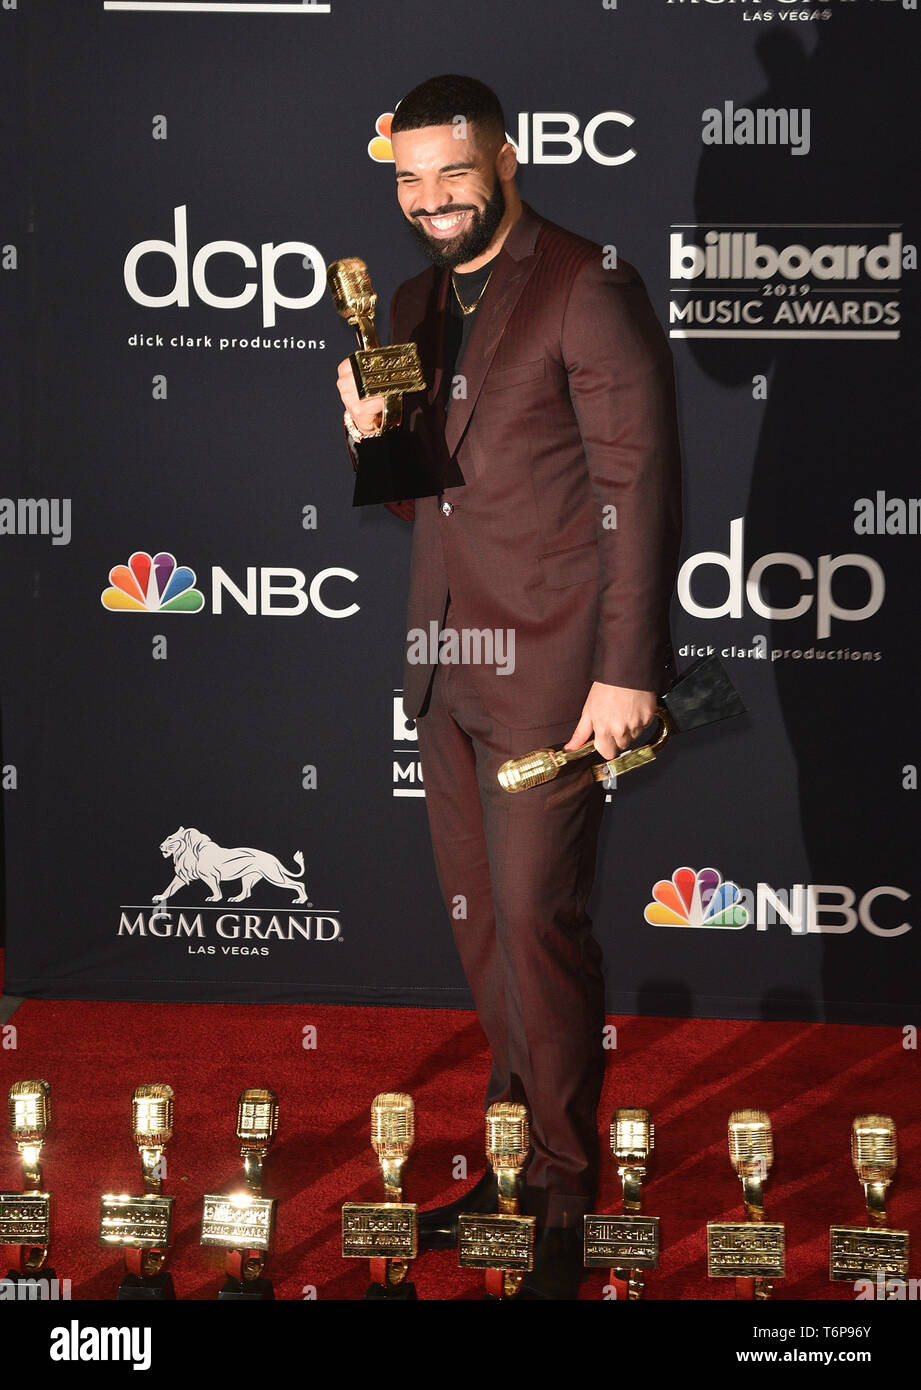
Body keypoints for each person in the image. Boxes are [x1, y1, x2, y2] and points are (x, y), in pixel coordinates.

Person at [336, 74, 682, 1299]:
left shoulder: (589, 281)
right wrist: (371, 431)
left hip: (555, 672)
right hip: (447, 667)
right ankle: (512, 1161)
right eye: (408, 178)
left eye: (452, 173)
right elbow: (420, 496)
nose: (429, 200)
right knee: (487, 939)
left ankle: (570, 1192)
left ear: (509, 158)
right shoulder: (420, 299)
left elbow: (638, 488)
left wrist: (625, 672)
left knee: (540, 926)